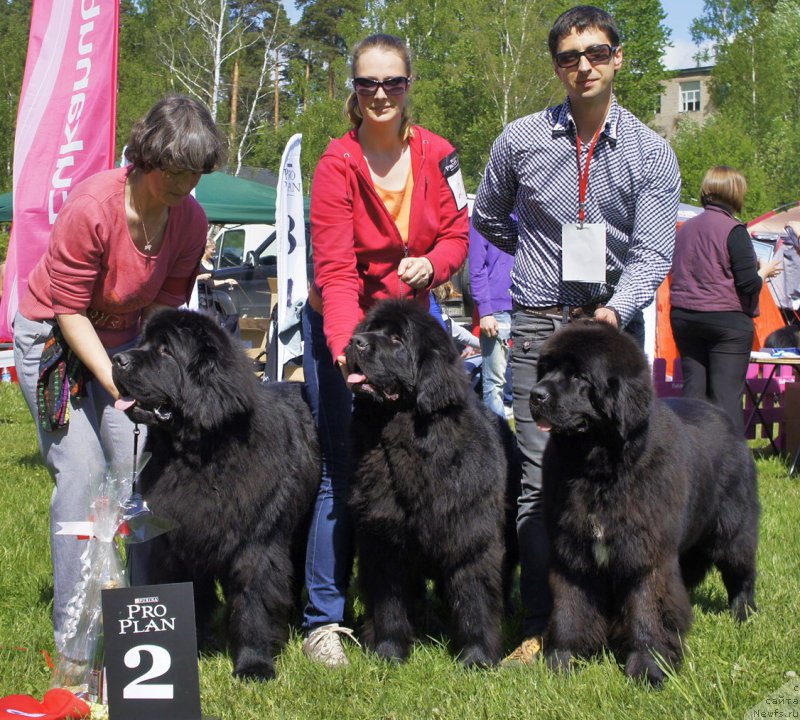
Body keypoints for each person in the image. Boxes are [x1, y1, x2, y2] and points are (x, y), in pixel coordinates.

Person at [472, 4, 681, 663]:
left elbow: (651, 254)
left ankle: (631, 611)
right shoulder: (520, 140)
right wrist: (540, 260)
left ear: (618, 57)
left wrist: (613, 311)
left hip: (613, 333)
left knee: (625, 474)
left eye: (595, 52)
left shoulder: (652, 153)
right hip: (541, 324)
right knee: (541, 479)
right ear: (557, 66)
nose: (583, 66)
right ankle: (544, 626)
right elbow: (489, 216)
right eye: (569, 57)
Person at [12, 94, 224, 654]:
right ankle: (76, 639)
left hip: (128, 342)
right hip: (56, 342)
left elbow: (162, 312)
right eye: (176, 171)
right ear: (146, 158)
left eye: (196, 173)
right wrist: (117, 382)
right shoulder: (93, 207)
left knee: (145, 478)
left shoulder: (192, 219)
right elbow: (69, 310)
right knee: (81, 476)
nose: (185, 184)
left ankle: (146, 625)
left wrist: (149, 376)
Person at [302, 33, 469, 666]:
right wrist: (349, 353)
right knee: (343, 473)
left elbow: (458, 229)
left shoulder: (440, 155)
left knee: (427, 465)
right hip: (348, 334)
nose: (379, 94)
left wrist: (438, 262)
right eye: (367, 82)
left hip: (416, 343)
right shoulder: (334, 165)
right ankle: (325, 619)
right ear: (353, 88)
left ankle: (409, 605)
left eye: (392, 82)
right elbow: (337, 272)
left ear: (408, 86)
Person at [670, 166, 782, 431]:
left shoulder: (685, 229)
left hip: (684, 316)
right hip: (726, 322)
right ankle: (729, 465)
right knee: (725, 397)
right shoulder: (734, 230)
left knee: (693, 394)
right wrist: (764, 272)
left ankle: (689, 461)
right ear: (735, 193)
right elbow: (747, 284)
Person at [469, 221, 514, 417]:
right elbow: (476, 267)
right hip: (497, 309)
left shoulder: (526, 211)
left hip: (529, 309)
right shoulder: (484, 219)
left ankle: (524, 443)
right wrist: (485, 312)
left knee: (526, 381)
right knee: (494, 384)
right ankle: (499, 440)